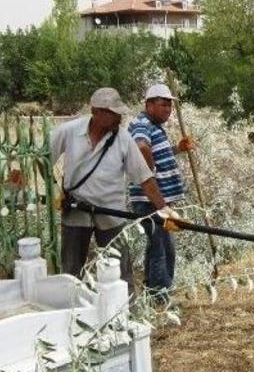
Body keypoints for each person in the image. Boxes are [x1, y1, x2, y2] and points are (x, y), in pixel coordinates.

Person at [50, 87, 170, 289]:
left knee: (120, 272)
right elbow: (41, 158)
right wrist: (55, 189)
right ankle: (73, 314)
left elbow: (145, 179)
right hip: (76, 212)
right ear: (96, 112)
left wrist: (164, 211)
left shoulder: (123, 138)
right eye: (114, 114)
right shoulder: (69, 131)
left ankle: (125, 313)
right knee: (71, 271)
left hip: (112, 214)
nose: (120, 119)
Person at [127, 83, 195, 300]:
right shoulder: (141, 123)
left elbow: (154, 150)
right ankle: (160, 296)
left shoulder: (154, 125)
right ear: (149, 104)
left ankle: (152, 291)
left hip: (160, 200)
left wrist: (178, 148)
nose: (168, 110)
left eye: (170, 106)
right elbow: (141, 147)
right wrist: (151, 173)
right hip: (151, 200)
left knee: (158, 245)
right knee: (163, 248)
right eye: (163, 104)